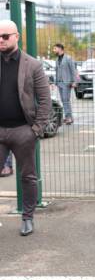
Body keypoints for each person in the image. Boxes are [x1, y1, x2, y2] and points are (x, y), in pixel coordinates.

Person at [0, 20, 51, 235]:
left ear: (17, 37)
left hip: (23, 130)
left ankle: (28, 217)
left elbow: (45, 99)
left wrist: (36, 130)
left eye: (5, 36)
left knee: (28, 177)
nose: (1, 40)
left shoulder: (32, 65)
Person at [53, 43, 77, 124]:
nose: (54, 50)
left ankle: (68, 118)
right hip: (59, 83)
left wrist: (74, 81)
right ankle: (69, 117)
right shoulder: (57, 59)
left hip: (67, 83)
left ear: (60, 48)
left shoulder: (68, 58)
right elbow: (56, 71)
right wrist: (55, 82)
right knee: (63, 100)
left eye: (55, 49)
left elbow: (73, 70)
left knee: (66, 100)